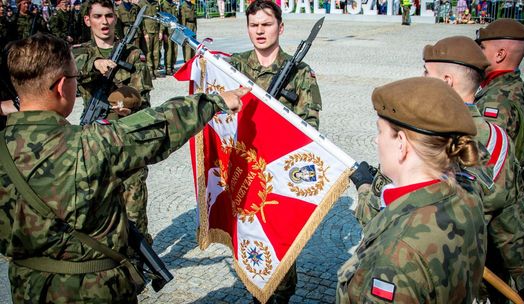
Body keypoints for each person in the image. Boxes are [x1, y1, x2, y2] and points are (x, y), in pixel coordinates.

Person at [0, 32, 245, 303]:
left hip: (27, 288)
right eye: (74, 78)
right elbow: (160, 124)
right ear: (61, 86)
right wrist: (215, 101)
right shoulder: (91, 145)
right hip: (94, 289)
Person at [337, 77, 486, 303]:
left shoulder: (397, 256)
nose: (376, 141)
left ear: (402, 144)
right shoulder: (467, 197)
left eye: (381, 131)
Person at [423, 36, 524, 304]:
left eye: (427, 73)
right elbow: (507, 217)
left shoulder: (430, 140)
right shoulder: (497, 137)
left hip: (437, 275)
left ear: (447, 81)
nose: (422, 79)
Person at [229, 0, 322, 302]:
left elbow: (310, 128)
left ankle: (279, 294)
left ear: (280, 27)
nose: (260, 31)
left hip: (280, 177)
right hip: (244, 169)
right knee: (247, 241)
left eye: (266, 24)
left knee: (279, 245)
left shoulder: (300, 72)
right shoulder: (235, 67)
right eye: (254, 25)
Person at [73, 0, 154, 245]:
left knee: (134, 206)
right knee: (97, 203)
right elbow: (73, 70)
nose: (104, 22)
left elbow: (141, 97)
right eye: (98, 16)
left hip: (128, 139)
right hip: (94, 140)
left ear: (115, 18)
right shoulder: (81, 54)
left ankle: (140, 259)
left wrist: (119, 105)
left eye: (108, 16)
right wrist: (96, 64)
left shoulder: (132, 53)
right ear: (88, 20)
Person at [474, 18, 524, 303]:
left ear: (499, 54)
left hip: (495, 215)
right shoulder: (514, 87)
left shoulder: (495, 102)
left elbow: (492, 175)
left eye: (482, 48)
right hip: (510, 199)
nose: (477, 54)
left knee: (494, 283)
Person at [140, 0, 163, 79]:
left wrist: (160, 31)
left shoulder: (156, 3)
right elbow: (141, 20)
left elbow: (160, 17)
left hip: (156, 30)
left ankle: (155, 70)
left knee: (156, 52)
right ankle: (150, 71)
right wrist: (145, 33)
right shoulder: (142, 3)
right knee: (148, 52)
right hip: (148, 31)